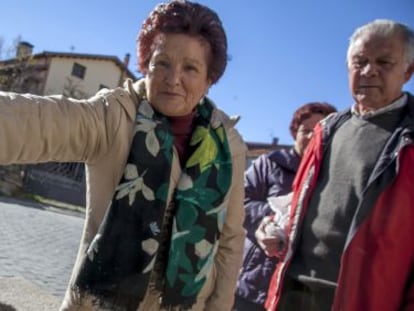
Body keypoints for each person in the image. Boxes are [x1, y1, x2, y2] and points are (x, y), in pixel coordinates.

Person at [0, 1, 247, 310]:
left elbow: (230, 242)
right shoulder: (115, 115)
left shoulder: (229, 148)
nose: (173, 79)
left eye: (190, 68)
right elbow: (36, 121)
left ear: (209, 79)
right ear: (146, 65)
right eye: (162, 63)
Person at [260, 19, 414, 311]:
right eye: (360, 61)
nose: (369, 70)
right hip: (290, 295)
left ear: (407, 71)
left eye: (384, 62)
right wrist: (274, 225)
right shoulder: (328, 130)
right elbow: (303, 204)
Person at [232, 102, 336, 311]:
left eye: (318, 132)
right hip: (253, 281)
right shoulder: (270, 163)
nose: (310, 137)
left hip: (297, 290)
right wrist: (274, 219)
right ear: (294, 132)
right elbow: (239, 200)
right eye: (305, 131)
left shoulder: (333, 177)